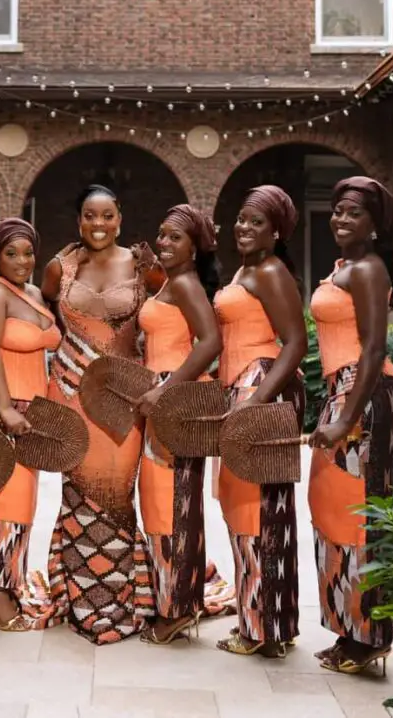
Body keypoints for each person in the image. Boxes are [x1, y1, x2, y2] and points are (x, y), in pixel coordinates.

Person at [40, 184, 157, 644]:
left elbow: (172, 316)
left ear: (120, 218)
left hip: (124, 399)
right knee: (78, 492)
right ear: (78, 220)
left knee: (117, 489)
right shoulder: (60, 269)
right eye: (90, 216)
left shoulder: (144, 267)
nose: (99, 225)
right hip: (70, 393)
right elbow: (40, 314)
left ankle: (123, 595)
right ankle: (78, 594)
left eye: (107, 216)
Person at [308, 176, 393, 676]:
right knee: (334, 510)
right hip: (345, 391)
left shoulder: (369, 270)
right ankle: (352, 629)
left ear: (375, 223)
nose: (341, 220)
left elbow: (373, 349)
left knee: (358, 516)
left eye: (354, 213)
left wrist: (347, 416)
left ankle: (369, 636)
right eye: (337, 211)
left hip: (362, 397)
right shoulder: (348, 267)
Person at [213, 185, 307, 658]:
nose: (244, 228)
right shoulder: (246, 269)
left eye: (256, 223)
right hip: (240, 390)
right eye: (242, 220)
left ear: (276, 232)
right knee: (242, 508)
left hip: (258, 390)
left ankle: (263, 627)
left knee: (258, 511)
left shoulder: (271, 271)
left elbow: (295, 343)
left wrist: (254, 400)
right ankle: (262, 620)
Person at [137, 204, 235, 644]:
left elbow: (211, 341)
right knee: (163, 500)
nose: (164, 242)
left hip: (174, 400)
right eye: (161, 234)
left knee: (170, 501)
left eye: (175, 237)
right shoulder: (171, 283)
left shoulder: (186, 283)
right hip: (162, 396)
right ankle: (174, 598)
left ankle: (176, 608)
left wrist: (166, 388)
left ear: (194, 246)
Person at [0, 217, 61, 631]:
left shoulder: (34, 295)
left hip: (34, 408)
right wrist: (5, 408)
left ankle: (8, 582)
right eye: (11, 253)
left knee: (23, 504)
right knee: (3, 501)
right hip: (5, 406)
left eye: (28, 252)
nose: (22, 260)